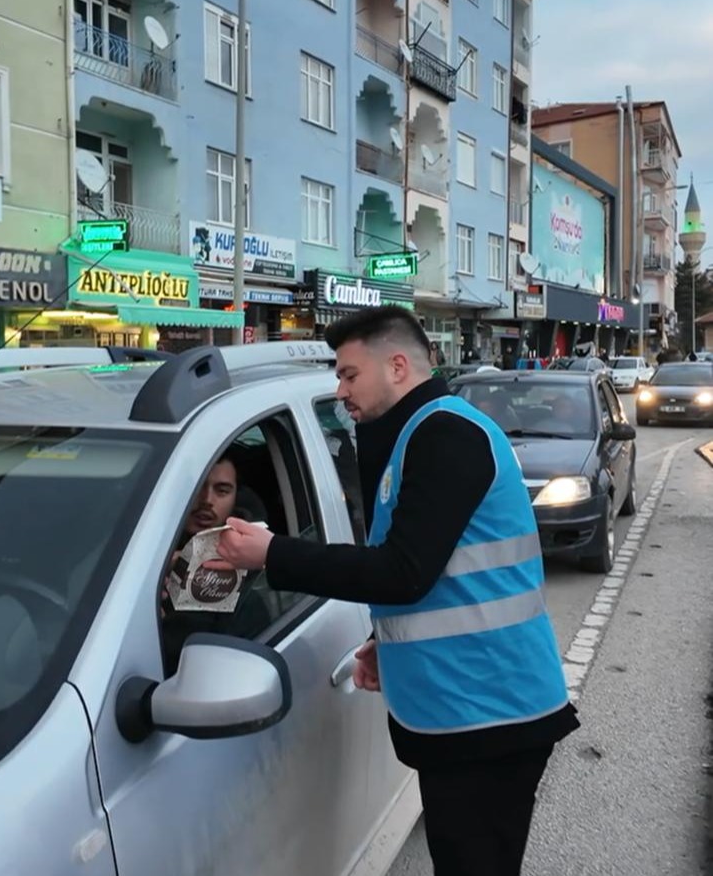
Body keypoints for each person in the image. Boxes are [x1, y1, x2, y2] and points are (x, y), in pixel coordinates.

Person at [209, 306, 579, 876]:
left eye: (349, 375)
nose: (340, 391)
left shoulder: (445, 434)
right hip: (470, 706)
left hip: (491, 715)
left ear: (398, 366)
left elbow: (403, 572)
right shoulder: (420, 434)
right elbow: (440, 573)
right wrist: (390, 642)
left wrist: (272, 553)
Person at [161, 448, 269, 673]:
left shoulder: (247, 563)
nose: (206, 500)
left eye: (221, 490)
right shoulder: (143, 543)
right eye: (197, 486)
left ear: (236, 496)